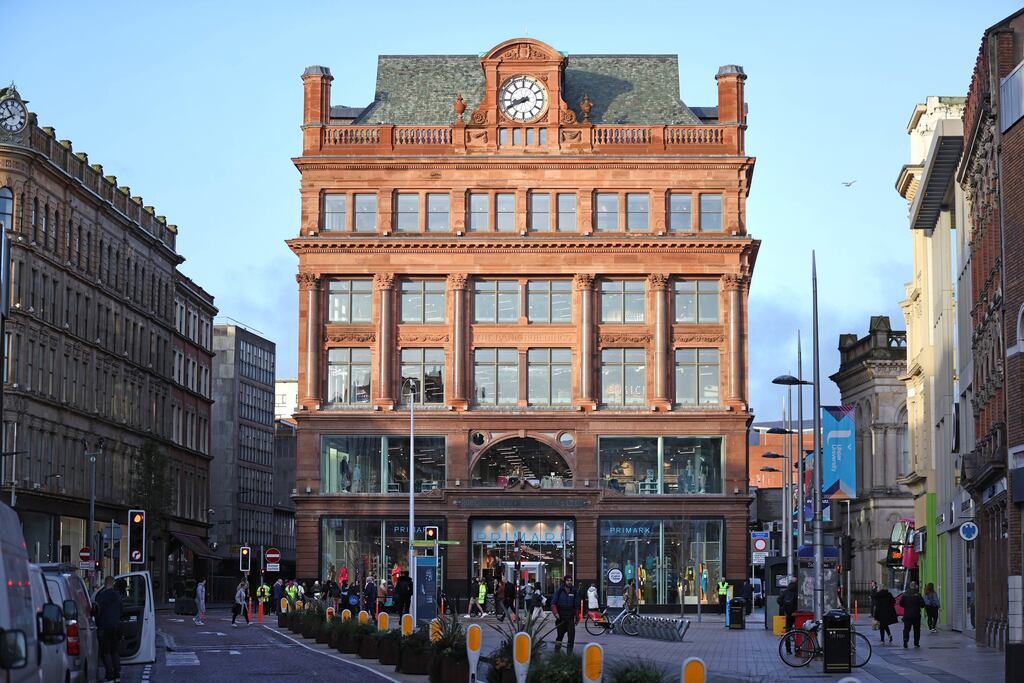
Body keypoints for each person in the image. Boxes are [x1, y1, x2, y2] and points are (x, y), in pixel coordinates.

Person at [94, 575, 124, 683]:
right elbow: (121, 611)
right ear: (113, 583)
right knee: (115, 651)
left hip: (104, 626)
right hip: (116, 626)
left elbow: (97, 612)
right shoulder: (118, 596)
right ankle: (117, 675)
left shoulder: (101, 597)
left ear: (105, 583)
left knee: (105, 652)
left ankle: (109, 675)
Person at [551, 576, 579, 653]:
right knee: (560, 636)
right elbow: (553, 603)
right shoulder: (559, 591)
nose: (569, 582)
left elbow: (576, 606)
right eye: (568, 580)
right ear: (564, 581)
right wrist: (556, 613)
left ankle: (569, 656)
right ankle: (556, 653)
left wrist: (577, 618)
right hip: (560, 617)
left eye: (570, 580)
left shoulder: (574, 591)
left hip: (570, 617)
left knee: (571, 637)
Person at [899, 582, 926, 648]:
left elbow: (901, 603)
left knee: (906, 628)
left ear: (910, 586)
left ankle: (905, 640)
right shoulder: (918, 595)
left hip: (907, 615)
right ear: (915, 587)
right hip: (916, 615)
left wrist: (906, 606)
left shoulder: (905, 594)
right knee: (916, 629)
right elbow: (923, 604)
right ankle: (916, 643)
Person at [777, 578, 798, 653]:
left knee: (787, 631)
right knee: (798, 631)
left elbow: (778, 600)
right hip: (795, 615)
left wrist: (783, 606)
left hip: (786, 614)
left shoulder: (785, 592)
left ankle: (788, 650)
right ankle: (797, 648)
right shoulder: (797, 592)